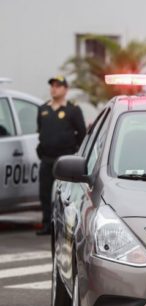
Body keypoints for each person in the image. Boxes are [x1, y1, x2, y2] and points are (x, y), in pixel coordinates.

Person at [36, 75, 86, 235]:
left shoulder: (73, 110)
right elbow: (40, 132)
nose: (54, 89)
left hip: (65, 161)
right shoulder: (43, 109)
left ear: (66, 89)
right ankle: (46, 224)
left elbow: (82, 133)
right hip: (47, 159)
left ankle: (66, 225)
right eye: (52, 85)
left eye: (58, 86)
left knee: (65, 195)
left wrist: (75, 152)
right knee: (44, 193)